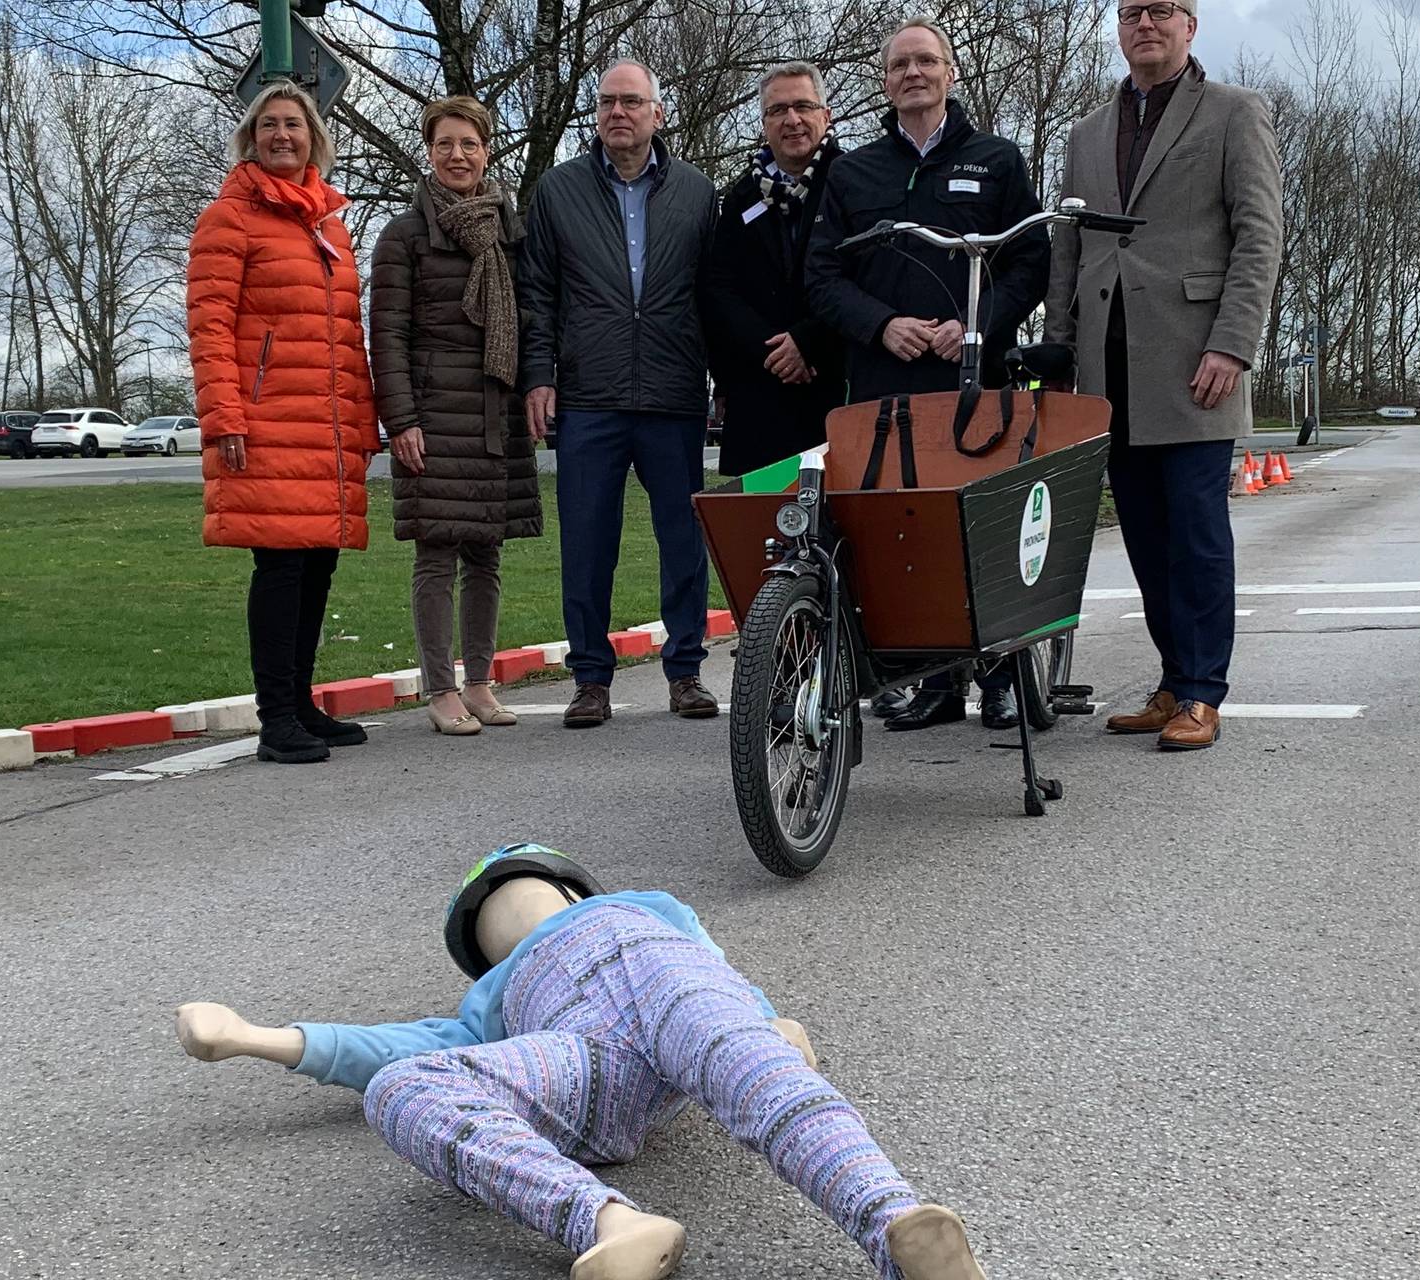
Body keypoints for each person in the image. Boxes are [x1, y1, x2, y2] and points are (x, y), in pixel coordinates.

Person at [169, 842, 994, 1280]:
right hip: (584, 1061)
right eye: (488, 912)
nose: (503, 912)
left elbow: (716, 968)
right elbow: (378, 1050)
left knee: (744, 1056)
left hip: (678, 1003)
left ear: (570, 890)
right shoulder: (486, 1005)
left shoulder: (648, 911)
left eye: (510, 889)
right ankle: (610, 1223)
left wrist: (769, 1017)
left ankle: (892, 1225)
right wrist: (250, 1036)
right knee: (400, 1087)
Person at [1044, 0, 1281, 753]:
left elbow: (1258, 236)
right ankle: (1174, 680)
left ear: (1190, 25)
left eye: (1160, 10)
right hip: (1107, 373)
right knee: (1145, 538)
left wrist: (1232, 345)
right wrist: (1057, 351)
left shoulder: (1235, 114)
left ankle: (1205, 690)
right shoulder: (1085, 132)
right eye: (1130, 12)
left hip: (1194, 364)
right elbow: (1070, 252)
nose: (1145, 23)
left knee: (1197, 536)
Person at [807, 21, 1048, 732]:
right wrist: (882, 324)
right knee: (909, 535)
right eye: (899, 64)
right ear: (884, 80)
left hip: (975, 384)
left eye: (926, 61)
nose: (913, 72)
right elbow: (822, 278)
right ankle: (938, 682)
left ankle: (1002, 675)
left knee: (984, 526)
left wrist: (976, 325)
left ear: (950, 73)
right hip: (884, 391)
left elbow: (1031, 264)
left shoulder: (998, 161)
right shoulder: (852, 173)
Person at [516, 61, 724, 730]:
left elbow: (714, 294)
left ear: (657, 114)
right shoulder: (557, 191)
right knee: (586, 540)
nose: (618, 113)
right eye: (607, 102)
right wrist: (539, 375)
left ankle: (686, 670)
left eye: (631, 102)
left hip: (672, 392)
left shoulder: (697, 192)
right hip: (589, 396)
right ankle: (590, 679)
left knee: (682, 538)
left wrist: (723, 379)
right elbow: (538, 293)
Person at [189, 82, 380, 764]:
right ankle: (277, 720)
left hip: (326, 429)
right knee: (280, 567)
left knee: (317, 565)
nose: (281, 135)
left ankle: (300, 703)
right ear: (251, 136)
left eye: (293, 125)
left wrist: (362, 423)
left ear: (313, 138)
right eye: (268, 125)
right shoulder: (229, 218)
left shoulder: (329, 222)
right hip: (267, 423)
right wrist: (224, 417)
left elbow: (343, 336)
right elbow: (209, 328)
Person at [372, 96, 545, 737]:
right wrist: (402, 420)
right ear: (429, 150)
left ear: (487, 150)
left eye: (469, 144)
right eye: (445, 144)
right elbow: (386, 337)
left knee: (487, 556)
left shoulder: (511, 230)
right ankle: (440, 689)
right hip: (432, 415)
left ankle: (479, 683)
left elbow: (527, 323)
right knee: (435, 556)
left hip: (492, 412)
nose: (457, 156)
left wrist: (532, 391)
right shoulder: (404, 236)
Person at [703, 62, 845, 478]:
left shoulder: (855, 183)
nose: (792, 120)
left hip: (836, 388)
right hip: (760, 393)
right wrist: (774, 352)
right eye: (777, 110)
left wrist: (808, 342)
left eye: (803, 106)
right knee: (758, 532)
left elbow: (867, 276)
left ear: (826, 114)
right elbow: (719, 289)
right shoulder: (741, 195)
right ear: (764, 122)